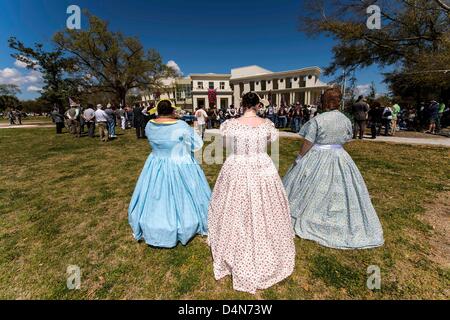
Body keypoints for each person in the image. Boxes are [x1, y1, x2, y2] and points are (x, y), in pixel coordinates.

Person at [208, 92, 295, 294]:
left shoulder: (230, 124)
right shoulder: (267, 125)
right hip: (261, 164)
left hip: (237, 163)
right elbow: (269, 144)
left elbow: (225, 145)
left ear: (242, 104)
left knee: (235, 204)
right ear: (257, 105)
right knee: (262, 205)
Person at [283, 87, 384, 249]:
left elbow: (308, 142)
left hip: (317, 155)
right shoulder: (345, 119)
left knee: (310, 186)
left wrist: (300, 157)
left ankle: (308, 214)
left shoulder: (319, 120)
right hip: (339, 155)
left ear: (325, 102)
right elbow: (347, 138)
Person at [128, 100, 210, 248]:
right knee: (185, 192)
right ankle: (185, 221)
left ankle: (154, 221)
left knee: (155, 193)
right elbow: (197, 144)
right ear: (172, 110)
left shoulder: (149, 124)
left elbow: (151, 139)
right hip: (179, 162)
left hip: (156, 161)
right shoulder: (180, 125)